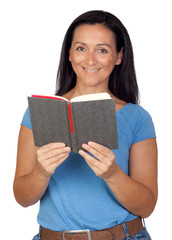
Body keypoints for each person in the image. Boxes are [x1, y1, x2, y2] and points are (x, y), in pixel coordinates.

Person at [13, 10, 158, 240]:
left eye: (102, 50)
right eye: (81, 48)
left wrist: (112, 174)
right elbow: (22, 198)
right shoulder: (38, 114)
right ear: (69, 54)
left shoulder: (138, 118)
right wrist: (42, 172)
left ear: (119, 56)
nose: (90, 60)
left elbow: (147, 206)